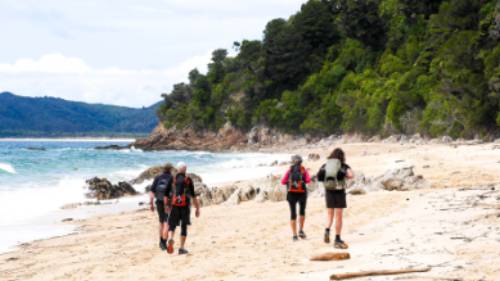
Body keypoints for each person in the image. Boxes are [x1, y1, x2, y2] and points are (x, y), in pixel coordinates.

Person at [317, 148, 353, 249]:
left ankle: (327, 230)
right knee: (339, 217)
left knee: (329, 215)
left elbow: (319, 177)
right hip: (339, 192)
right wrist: (344, 175)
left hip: (328, 191)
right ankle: (337, 238)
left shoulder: (326, 165)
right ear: (342, 156)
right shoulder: (343, 166)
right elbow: (351, 175)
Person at [166, 162, 200, 255]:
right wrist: (197, 208)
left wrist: (167, 206)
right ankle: (181, 248)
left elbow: (166, 194)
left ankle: (170, 238)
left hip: (174, 205)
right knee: (183, 227)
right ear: (185, 169)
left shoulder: (172, 179)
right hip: (185, 206)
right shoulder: (188, 179)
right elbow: (193, 196)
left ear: (177, 169)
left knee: (172, 225)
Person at [281, 155, 311, 241]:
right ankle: (301, 231)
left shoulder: (289, 170)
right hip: (302, 193)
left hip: (291, 194)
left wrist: (291, 182)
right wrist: (302, 181)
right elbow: (308, 180)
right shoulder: (303, 170)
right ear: (301, 162)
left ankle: (294, 236)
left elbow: (283, 181)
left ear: (292, 162)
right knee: (302, 212)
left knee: (293, 214)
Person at [149, 163, 174, 251]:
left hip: (158, 202)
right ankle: (163, 242)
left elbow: (152, 192)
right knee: (167, 223)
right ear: (170, 170)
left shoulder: (157, 177)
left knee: (161, 222)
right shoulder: (171, 178)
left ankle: (161, 241)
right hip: (167, 203)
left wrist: (151, 203)